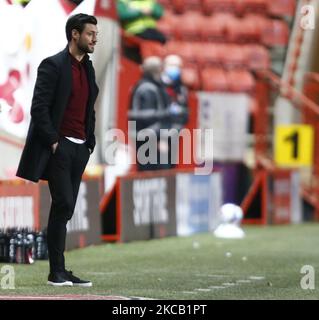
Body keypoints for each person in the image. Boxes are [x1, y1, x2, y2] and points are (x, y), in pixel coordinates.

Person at [16, 13, 99, 287]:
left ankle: (59, 270)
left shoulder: (89, 68)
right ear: (75, 34)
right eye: (90, 33)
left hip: (80, 148)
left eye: (95, 34)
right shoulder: (52, 65)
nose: (94, 38)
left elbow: (89, 108)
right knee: (63, 203)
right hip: (59, 146)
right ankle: (56, 272)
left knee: (65, 208)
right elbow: (38, 108)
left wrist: (90, 140)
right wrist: (53, 141)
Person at [128, 56, 172, 171]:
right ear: (157, 71)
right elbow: (147, 117)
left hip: (146, 138)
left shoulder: (146, 85)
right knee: (152, 173)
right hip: (148, 139)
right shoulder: (148, 89)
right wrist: (159, 138)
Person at [162, 54, 189, 132]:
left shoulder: (182, 88)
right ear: (164, 66)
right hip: (157, 132)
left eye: (177, 66)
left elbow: (185, 111)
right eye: (171, 65)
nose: (174, 68)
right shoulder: (157, 85)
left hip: (175, 130)